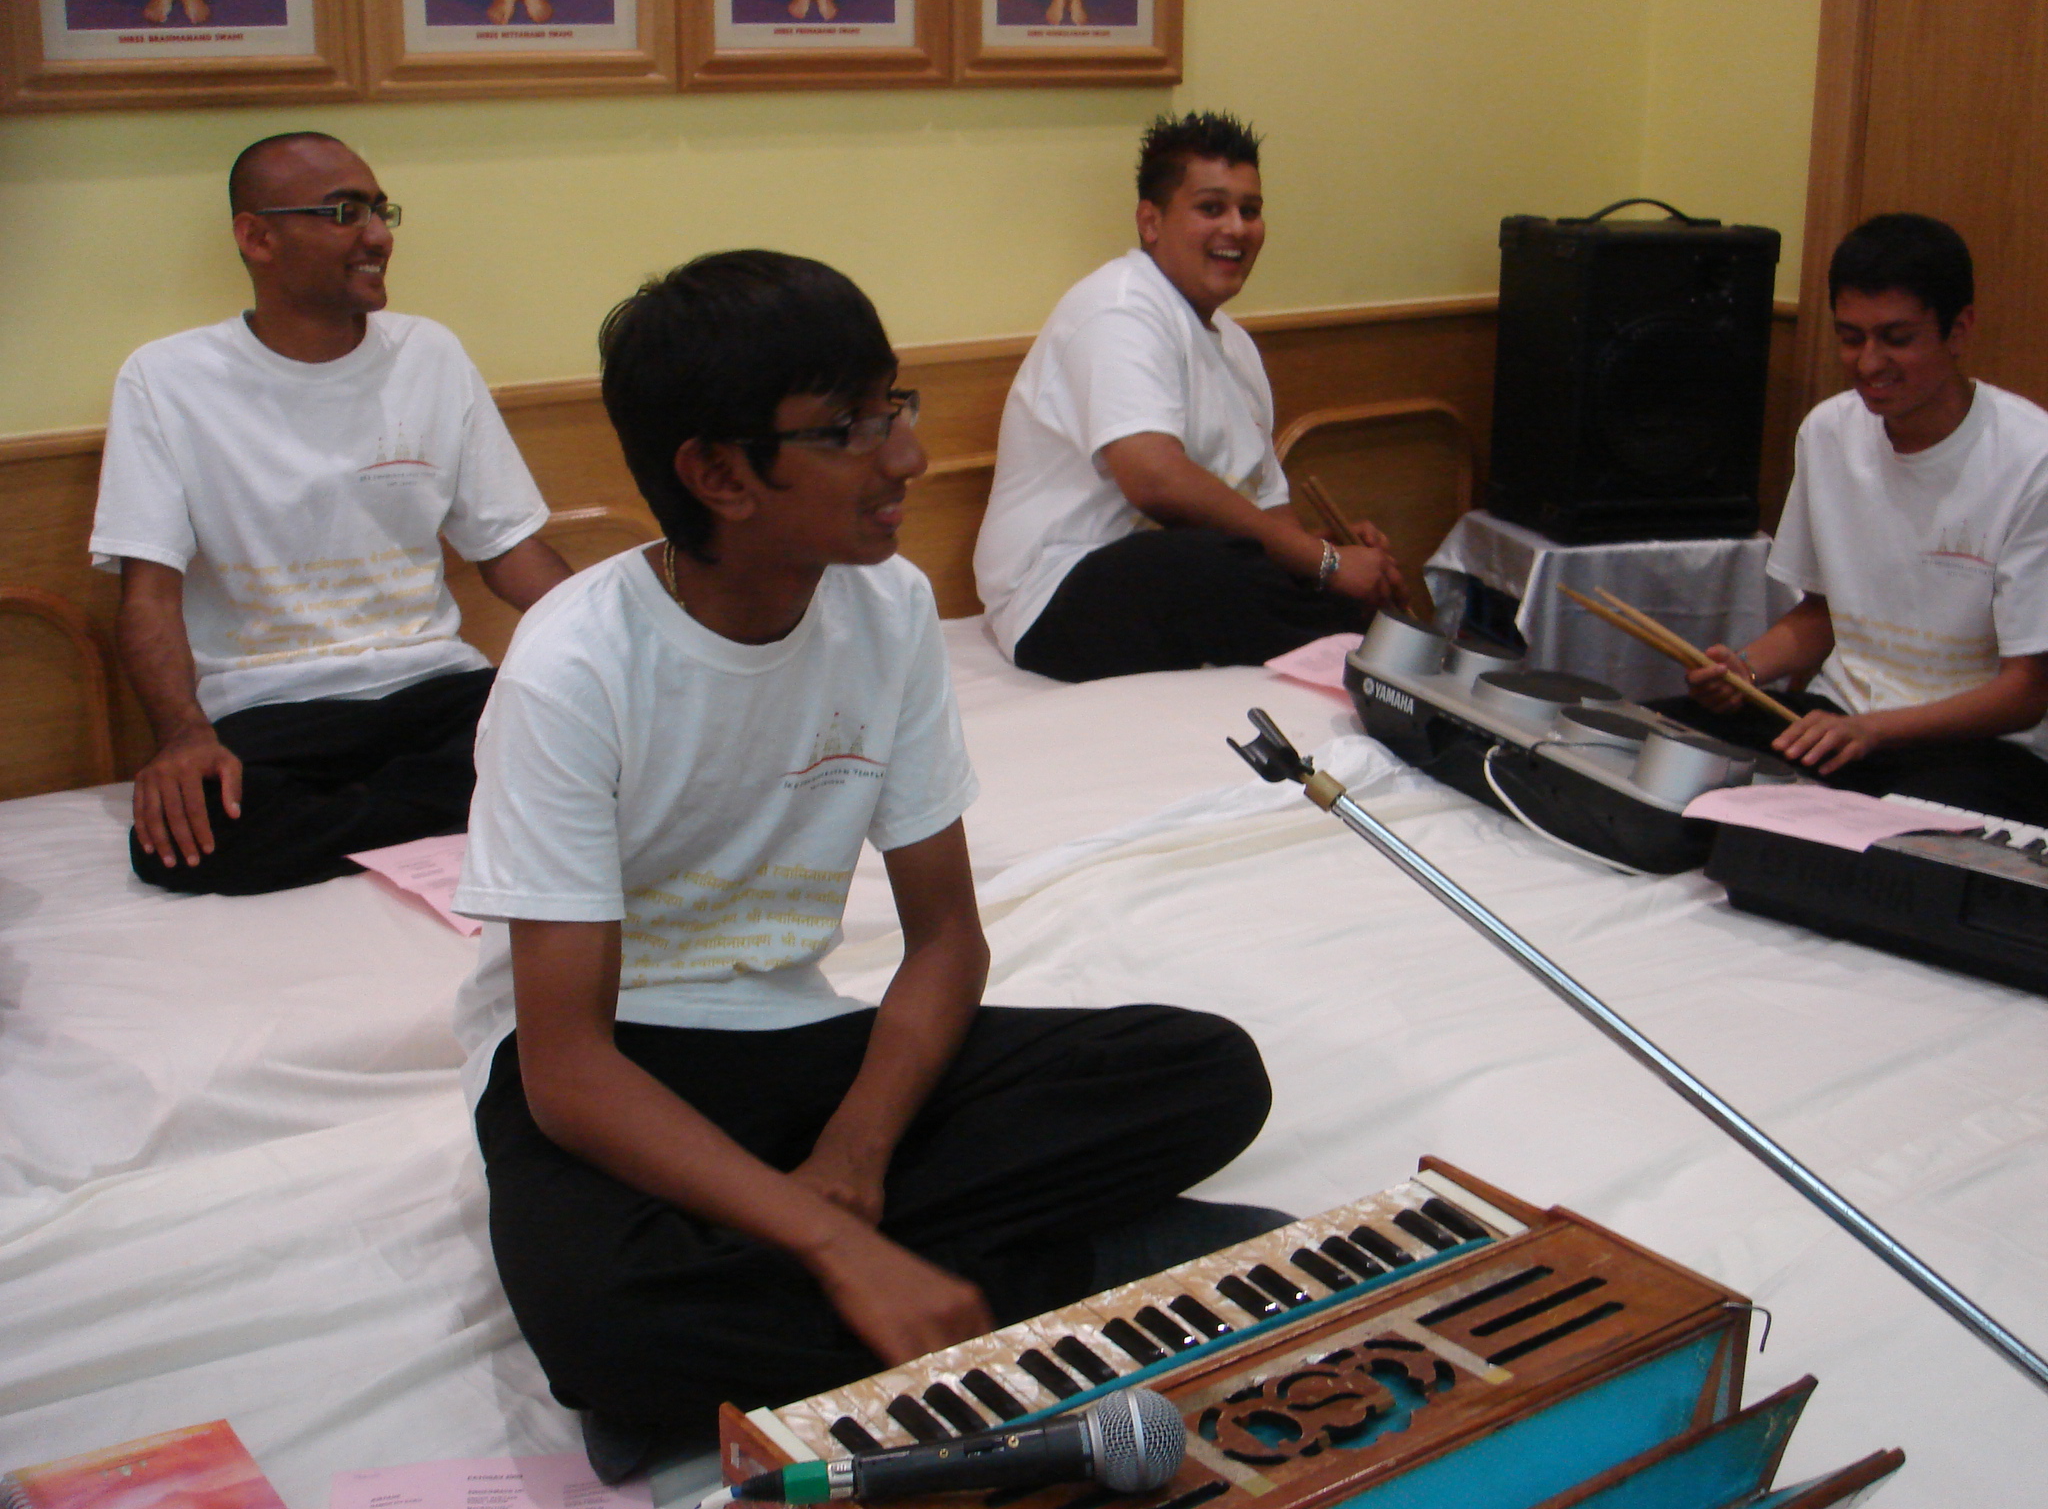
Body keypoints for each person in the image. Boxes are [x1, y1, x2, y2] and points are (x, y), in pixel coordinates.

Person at [451, 251, 1280, 1480]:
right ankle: (1064, 1270)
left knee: (1201, 1071)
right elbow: (566, 1067)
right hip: (619, 1065)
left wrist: (853, 1154)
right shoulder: (574, 666)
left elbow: (945, 940)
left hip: (798, 1044)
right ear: (717, 475)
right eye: (847, 428)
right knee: (607, 1322)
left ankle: (753, 1340)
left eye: (894, 407)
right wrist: (832, 1239)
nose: (907, 457)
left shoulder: (886, 609)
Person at [89, 132, 572, 896]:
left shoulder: (431, 354)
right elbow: (150, 596)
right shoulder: (166, 378)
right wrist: (182, 736)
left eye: (381, 211)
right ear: (257, 237)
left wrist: (625, 649)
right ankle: (455, 814)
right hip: (272, 706)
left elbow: (512, 551)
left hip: (436, 691)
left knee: (597, 756)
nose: (377, 235)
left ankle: (363, 817)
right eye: (345, 213)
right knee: (187, 841)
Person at [972, 111, 1405, 682]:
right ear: (1150, 222)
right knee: (1205, 563)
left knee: (1285, 575)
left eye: (1250, 210)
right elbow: (1156, 481)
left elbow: (1268, 513)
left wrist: (1330, 554)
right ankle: (1364, 656)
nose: (1237, 228)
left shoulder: (1236, 345)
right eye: (1211, 208)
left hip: (1174, 577)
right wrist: (1325, 564)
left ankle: (1375, 651)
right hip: (1052, 596)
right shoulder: (1118, 307)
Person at [1670, 214, 2048, 824]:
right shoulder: (1828, 432)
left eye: (1897, 338)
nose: (1869, 363)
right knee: (1661, 741)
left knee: (1871, 837)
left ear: (1959, 330)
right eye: (1851, 338)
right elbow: (1825, 614)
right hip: (1843, 720)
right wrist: (1745, 670)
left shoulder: (2033, 459)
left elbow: (2027, 690)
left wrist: (1876, 730)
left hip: (1980, 749)